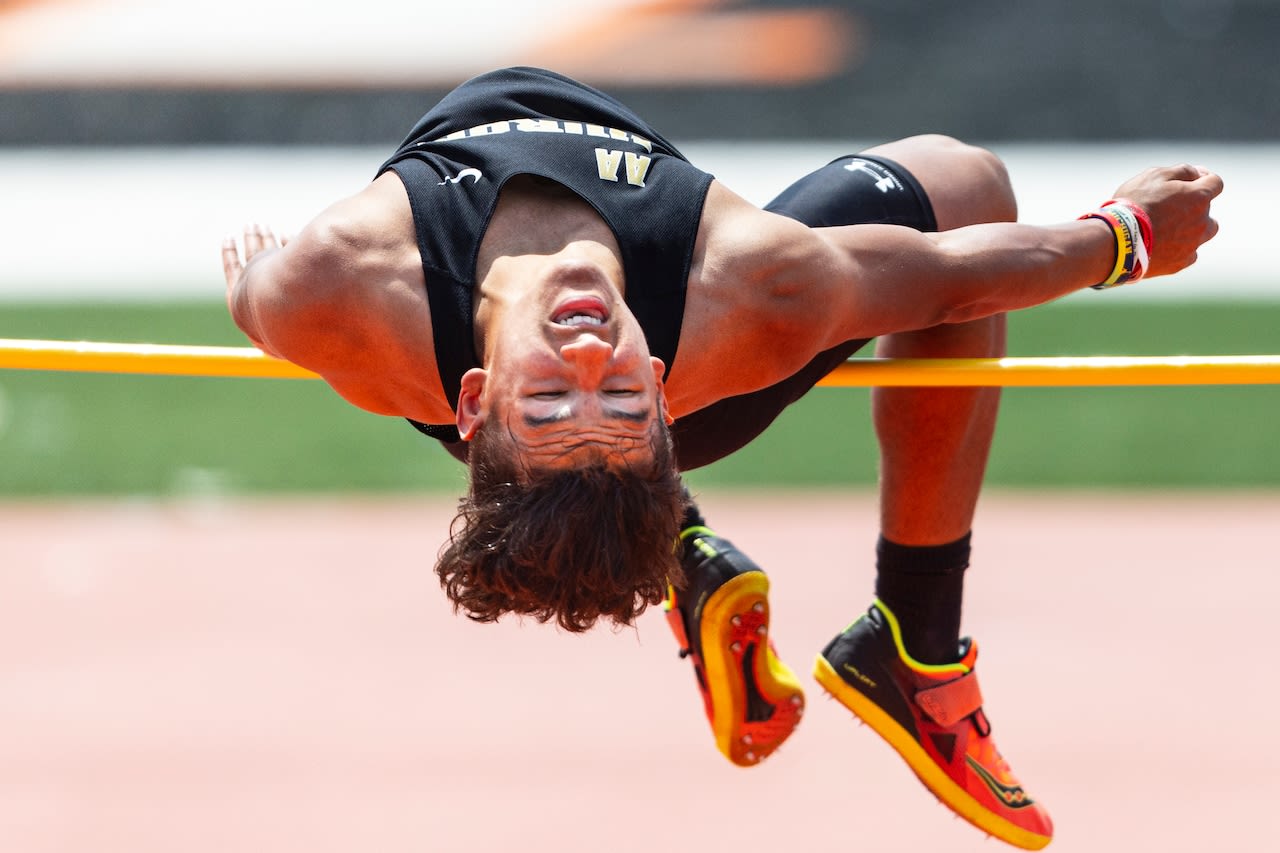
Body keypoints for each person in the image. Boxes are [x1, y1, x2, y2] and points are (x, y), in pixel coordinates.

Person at [221, 67, 1221, 850]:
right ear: (656, 384)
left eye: (559, 394)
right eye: (616, 395)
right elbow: (946, 281)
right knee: (967, 188)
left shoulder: (332, 290)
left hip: (471, 373)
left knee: (965, 186)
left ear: (477, 403)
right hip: (682, 376)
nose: (584, 353)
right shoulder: (739, 300)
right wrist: (1124, 237)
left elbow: (262, 292)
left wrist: (257, 295)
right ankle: (908, 646)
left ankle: (785, 590)